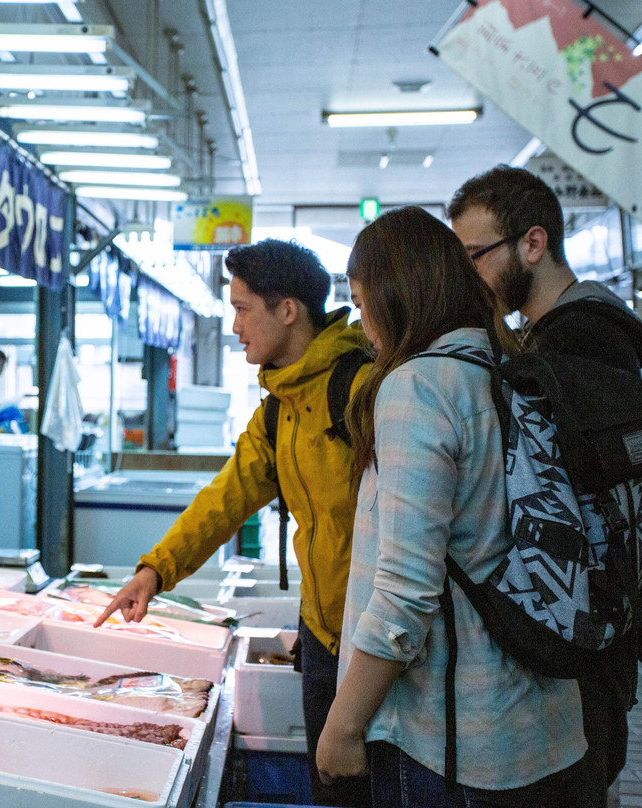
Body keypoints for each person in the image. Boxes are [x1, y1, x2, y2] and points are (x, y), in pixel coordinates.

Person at [316, 206, 585, 806]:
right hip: (535, 721)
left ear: (397, 295)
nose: (362, 326)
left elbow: (405, 589)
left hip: (451, 739)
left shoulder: (418, 386)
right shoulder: (501, 369)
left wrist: (343, 725)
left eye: (361, 305)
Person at [93, 238, 373, 807]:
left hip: (379, 647)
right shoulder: (279, 409)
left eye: (243, 308)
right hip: (321, 638)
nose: (234, 324)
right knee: (335, 794)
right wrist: (156, 570)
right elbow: (226, 495)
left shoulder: (361, 391)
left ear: (288, 310)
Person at [448, 164, 642, 807]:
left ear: (533, 243)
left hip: (586, 633)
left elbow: (586, 501)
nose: (466, 274)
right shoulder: (570, 336)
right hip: (598, 627)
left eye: (474, 254)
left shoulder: (580, 342)